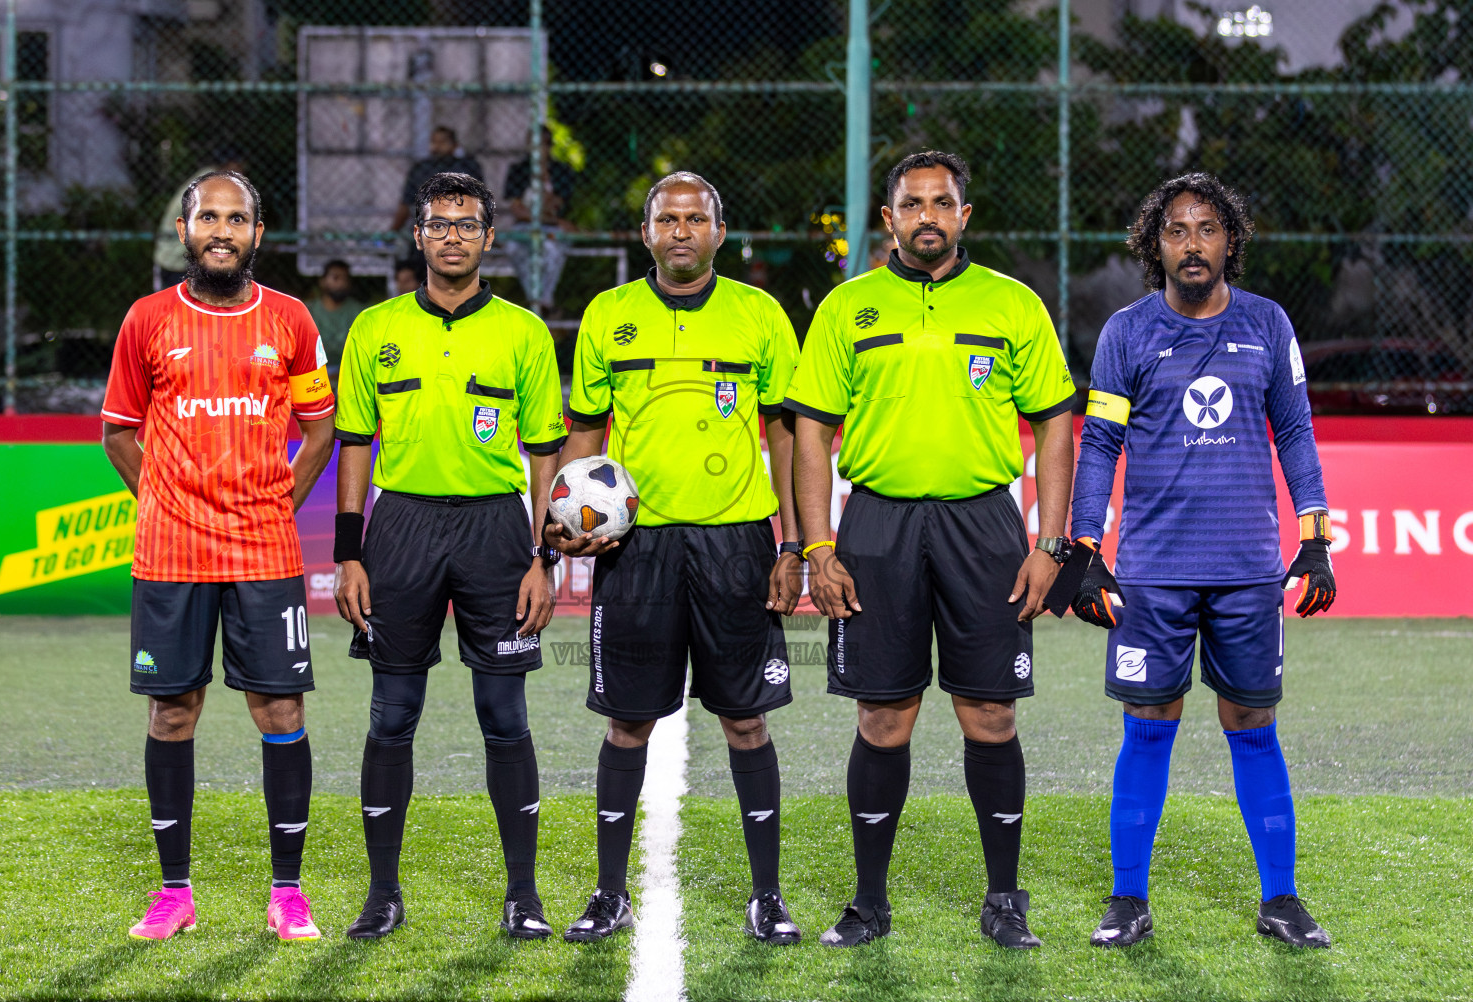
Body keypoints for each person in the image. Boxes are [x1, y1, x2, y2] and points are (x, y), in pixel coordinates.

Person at [784, 151, 1076, 949]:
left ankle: (1005, 899)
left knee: (989, 713)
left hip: (985, 525)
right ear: (888, 219)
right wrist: (816, 543)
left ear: (964, 216)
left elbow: (1055, 422)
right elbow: (809, 429)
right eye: (911, 204)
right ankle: (869, 902)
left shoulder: (1012, 304)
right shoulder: (850, 309)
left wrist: (1050, 540)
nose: (927, 216)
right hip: (876, 526)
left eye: (942, 202)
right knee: (883, 717)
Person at [1068, 172, 1336, 950]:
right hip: (1153, 570)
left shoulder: (1268, 324)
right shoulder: (1127, 332)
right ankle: (1128, 900)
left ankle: (1280, 899)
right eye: (1177, 230)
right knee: (1147, 724)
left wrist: (1313, 537)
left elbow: (1296, 432)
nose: (1193, 244)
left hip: (1248, 568)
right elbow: (1101, 444)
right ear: (1156, 244)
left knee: (1252, 723)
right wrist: (1087, 546)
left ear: (1230, 241)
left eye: (1208, 229)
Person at [547, 171, 805, 944]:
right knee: (627, 723)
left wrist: (793, 543)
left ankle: (768, 896)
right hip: (638, 546)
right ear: (647, 233)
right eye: (668, 218)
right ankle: (607, 893)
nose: (682, 230)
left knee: (747, 721)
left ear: (719, 233)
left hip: (737, 541)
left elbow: (787, 437)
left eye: (696, 218)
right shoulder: (610, 314)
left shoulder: (759, 315)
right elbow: (585, 435)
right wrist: (563, 520)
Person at [100, 170, 336, 942]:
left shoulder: (293, 320)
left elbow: (321, 430)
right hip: (170, 555)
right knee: (173, 711)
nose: (223, 231)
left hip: (264, 553)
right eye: (209, 217)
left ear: (258, 234)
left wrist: (276, 504)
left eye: (238, 218)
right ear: (185, 229)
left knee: (281, 710)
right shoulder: (147, 320)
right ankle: (175, 893)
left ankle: (289, 893)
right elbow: (118, 432)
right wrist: (166, 502)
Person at [332, 171, 568, 941]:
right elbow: (355, 446)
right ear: (419, 235)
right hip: (399, 528)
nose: (453, 236)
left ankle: (523, 896)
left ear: (490, 238)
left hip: (496, 534)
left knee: (504, 714)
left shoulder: (525, 332)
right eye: (439, 224)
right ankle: (382, 896)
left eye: (468, 225)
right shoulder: (374, 329)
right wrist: (350, 551)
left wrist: (545, 558)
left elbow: (543, 457)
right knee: (392, 714)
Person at [502, 128, 577, 311]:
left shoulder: (561, 171)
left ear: (549, 146)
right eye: (532, 144)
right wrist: (547, 217)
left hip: (551, 229)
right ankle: (541, 302)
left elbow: (556, 207)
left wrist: (544, 176)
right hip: (525, 227)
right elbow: (517, 210)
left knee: (551, 249)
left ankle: (539, 302)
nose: (536, 150)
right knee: (514, 247)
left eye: (541, 145)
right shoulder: (518, 170)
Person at [154, 148, 245, 291]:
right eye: (238, 165)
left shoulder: (212, 178)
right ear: (229, 165)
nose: (242, 171)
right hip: (175, 257)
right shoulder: (212, 183)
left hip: (186, 257)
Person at [389, 126, 483, 233]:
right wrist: (393, 232)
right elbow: (406, 203)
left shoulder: (467, 167)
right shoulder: (422, 168)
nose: (437, 146)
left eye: (443, 142)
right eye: (434, 142)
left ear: (455, 145)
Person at [305, 259, 365, 368]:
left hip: (349, 370)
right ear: (323, 281)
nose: (341, 283)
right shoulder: (308, 311)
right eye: (336, 278)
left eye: (345, 279)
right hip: (314, 370)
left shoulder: (359, 312)